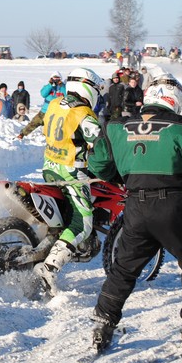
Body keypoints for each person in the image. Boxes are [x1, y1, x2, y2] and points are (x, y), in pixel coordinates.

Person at [89, 73, 182, 354]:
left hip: (135, 205)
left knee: (123, 268)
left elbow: (98, 165)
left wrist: (123, 174)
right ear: (177, 100)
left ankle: (103, 324)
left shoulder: (115, 127)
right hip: (172, 204)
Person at [32, 68, 103, 296]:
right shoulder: (84, 113)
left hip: (49, 168)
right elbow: (101, 145)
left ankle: (53, 246)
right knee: (83, 223)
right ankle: (50, 268)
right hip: (72, 173)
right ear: (88, 88)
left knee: (65, 218)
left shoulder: (54, 103)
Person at [17, 72, 66, 140]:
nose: (56, 80)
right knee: (34, 122)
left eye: (57, 78)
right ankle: (22, 134)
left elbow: (66, 95)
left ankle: (50, 138)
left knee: (53, 126)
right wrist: (50, 85)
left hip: (55, 112)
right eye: (54, 78)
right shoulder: (48, 86)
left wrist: (62, 85)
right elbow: (43, 94)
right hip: (44, 111)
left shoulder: (63, 87)